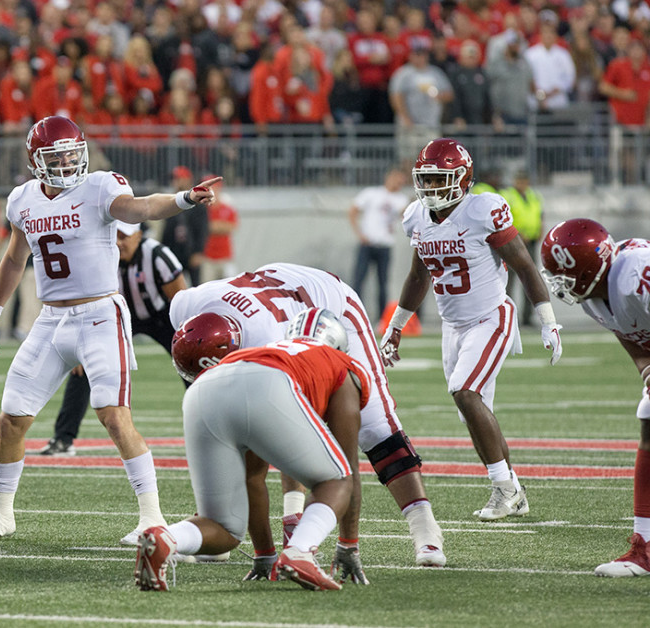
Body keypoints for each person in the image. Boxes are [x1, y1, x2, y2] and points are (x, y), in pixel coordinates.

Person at [0, 115, 218, 546]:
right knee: (11, 418)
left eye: (74, 151)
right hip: (50, 320)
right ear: (37, 161)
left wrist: (184, 199)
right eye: (59, 155)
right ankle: (1, 515)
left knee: (113, 415)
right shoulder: (22, 200)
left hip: (99, 315)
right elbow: (15, 258)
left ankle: (152, 518)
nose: (70, 161)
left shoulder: (100, 187)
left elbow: (142, 207)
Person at [168, 262, 445, 566]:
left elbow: (297, 423)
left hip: (331, 305)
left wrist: (292, 513)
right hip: (278, 299)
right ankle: (218, 519)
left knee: (376, 425)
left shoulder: (266, 340)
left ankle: (425, 528)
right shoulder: (185, 307)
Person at [381, 138, 563, 521]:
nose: (430, 188)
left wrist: (548, 320)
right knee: (474, 414)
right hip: (453, 326)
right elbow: (419, 275)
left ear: (462, 179)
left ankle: (506, 489)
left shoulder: (484, 209)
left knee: (465, 391)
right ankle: (513, 489)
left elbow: (525, 266)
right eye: (426, 180)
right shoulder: (415, 216)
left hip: (491, 317)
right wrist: (396, 325)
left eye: (438, 179)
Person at [138, 311, 368, 592]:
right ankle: (300, 551)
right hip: (269, 383)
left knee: (222, 527)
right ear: (339, 344)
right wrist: (348, 545)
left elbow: (252, 479)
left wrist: (265, 556)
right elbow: (349, 465)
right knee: (337, 479)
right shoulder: (341, 364)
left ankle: (165, 537)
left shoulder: (271, 349)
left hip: (204, 389)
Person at [540, 219, 650, 577]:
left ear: (587, 270)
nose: (558, 285)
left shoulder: (643, 280)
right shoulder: (597, 294)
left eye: (563, 275)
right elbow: (638, 341)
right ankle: (646, 550)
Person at [37, 222, 187, 457]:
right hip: (115, 315)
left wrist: (186, 337)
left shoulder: (157, 255)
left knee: (191, 362)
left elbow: (181, 301)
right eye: (114, 234)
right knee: (84, 366)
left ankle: (213, 430)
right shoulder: (97, 255)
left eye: (124, 236)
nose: (118, 241)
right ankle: (63, 439)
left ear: (138, 235)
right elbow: (82, 297)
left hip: (162, 317)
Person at [349, 167, 410, 315]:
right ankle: (354, 314)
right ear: (389, 177)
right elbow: (353, 211)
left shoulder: (401, 199)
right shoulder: (372, 193)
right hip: (367, 244)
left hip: (385, 245)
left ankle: (382, 317)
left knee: (382, 283)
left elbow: (405, 216)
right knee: (358, 281)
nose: (399, 183)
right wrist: (359, 233)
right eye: (396, 178)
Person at [501, 171, 545, 326]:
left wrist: (540, 230)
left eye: (524, 181)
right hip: (513, 242)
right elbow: (502, 218)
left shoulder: (533, 196)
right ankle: (506, 316)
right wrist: (516, 234)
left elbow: (540, 214)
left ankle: (527, 317)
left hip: (531, 242)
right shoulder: (508, 196)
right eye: (519, 181)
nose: (522, 184)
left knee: (530, 277)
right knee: (509, 280)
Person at [160, 166, 209, 286]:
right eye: (175, 179)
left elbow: (202, 229)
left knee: (196, 286)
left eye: (179, 178)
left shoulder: (198, 202)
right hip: (174, 250)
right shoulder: (171, 200)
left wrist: (198, 251)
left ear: (188, 180)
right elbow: (167, 230)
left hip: (191, 251)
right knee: (173, 285)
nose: (176, 182)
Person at [201, 185, 238, 283]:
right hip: (208, 256)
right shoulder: (203, 210)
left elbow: (231, 226)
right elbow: (205, 227)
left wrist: (214, 226)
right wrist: (220, 226)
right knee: (207, 287)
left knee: (229, 286)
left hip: (225, 256)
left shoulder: (227, 208)